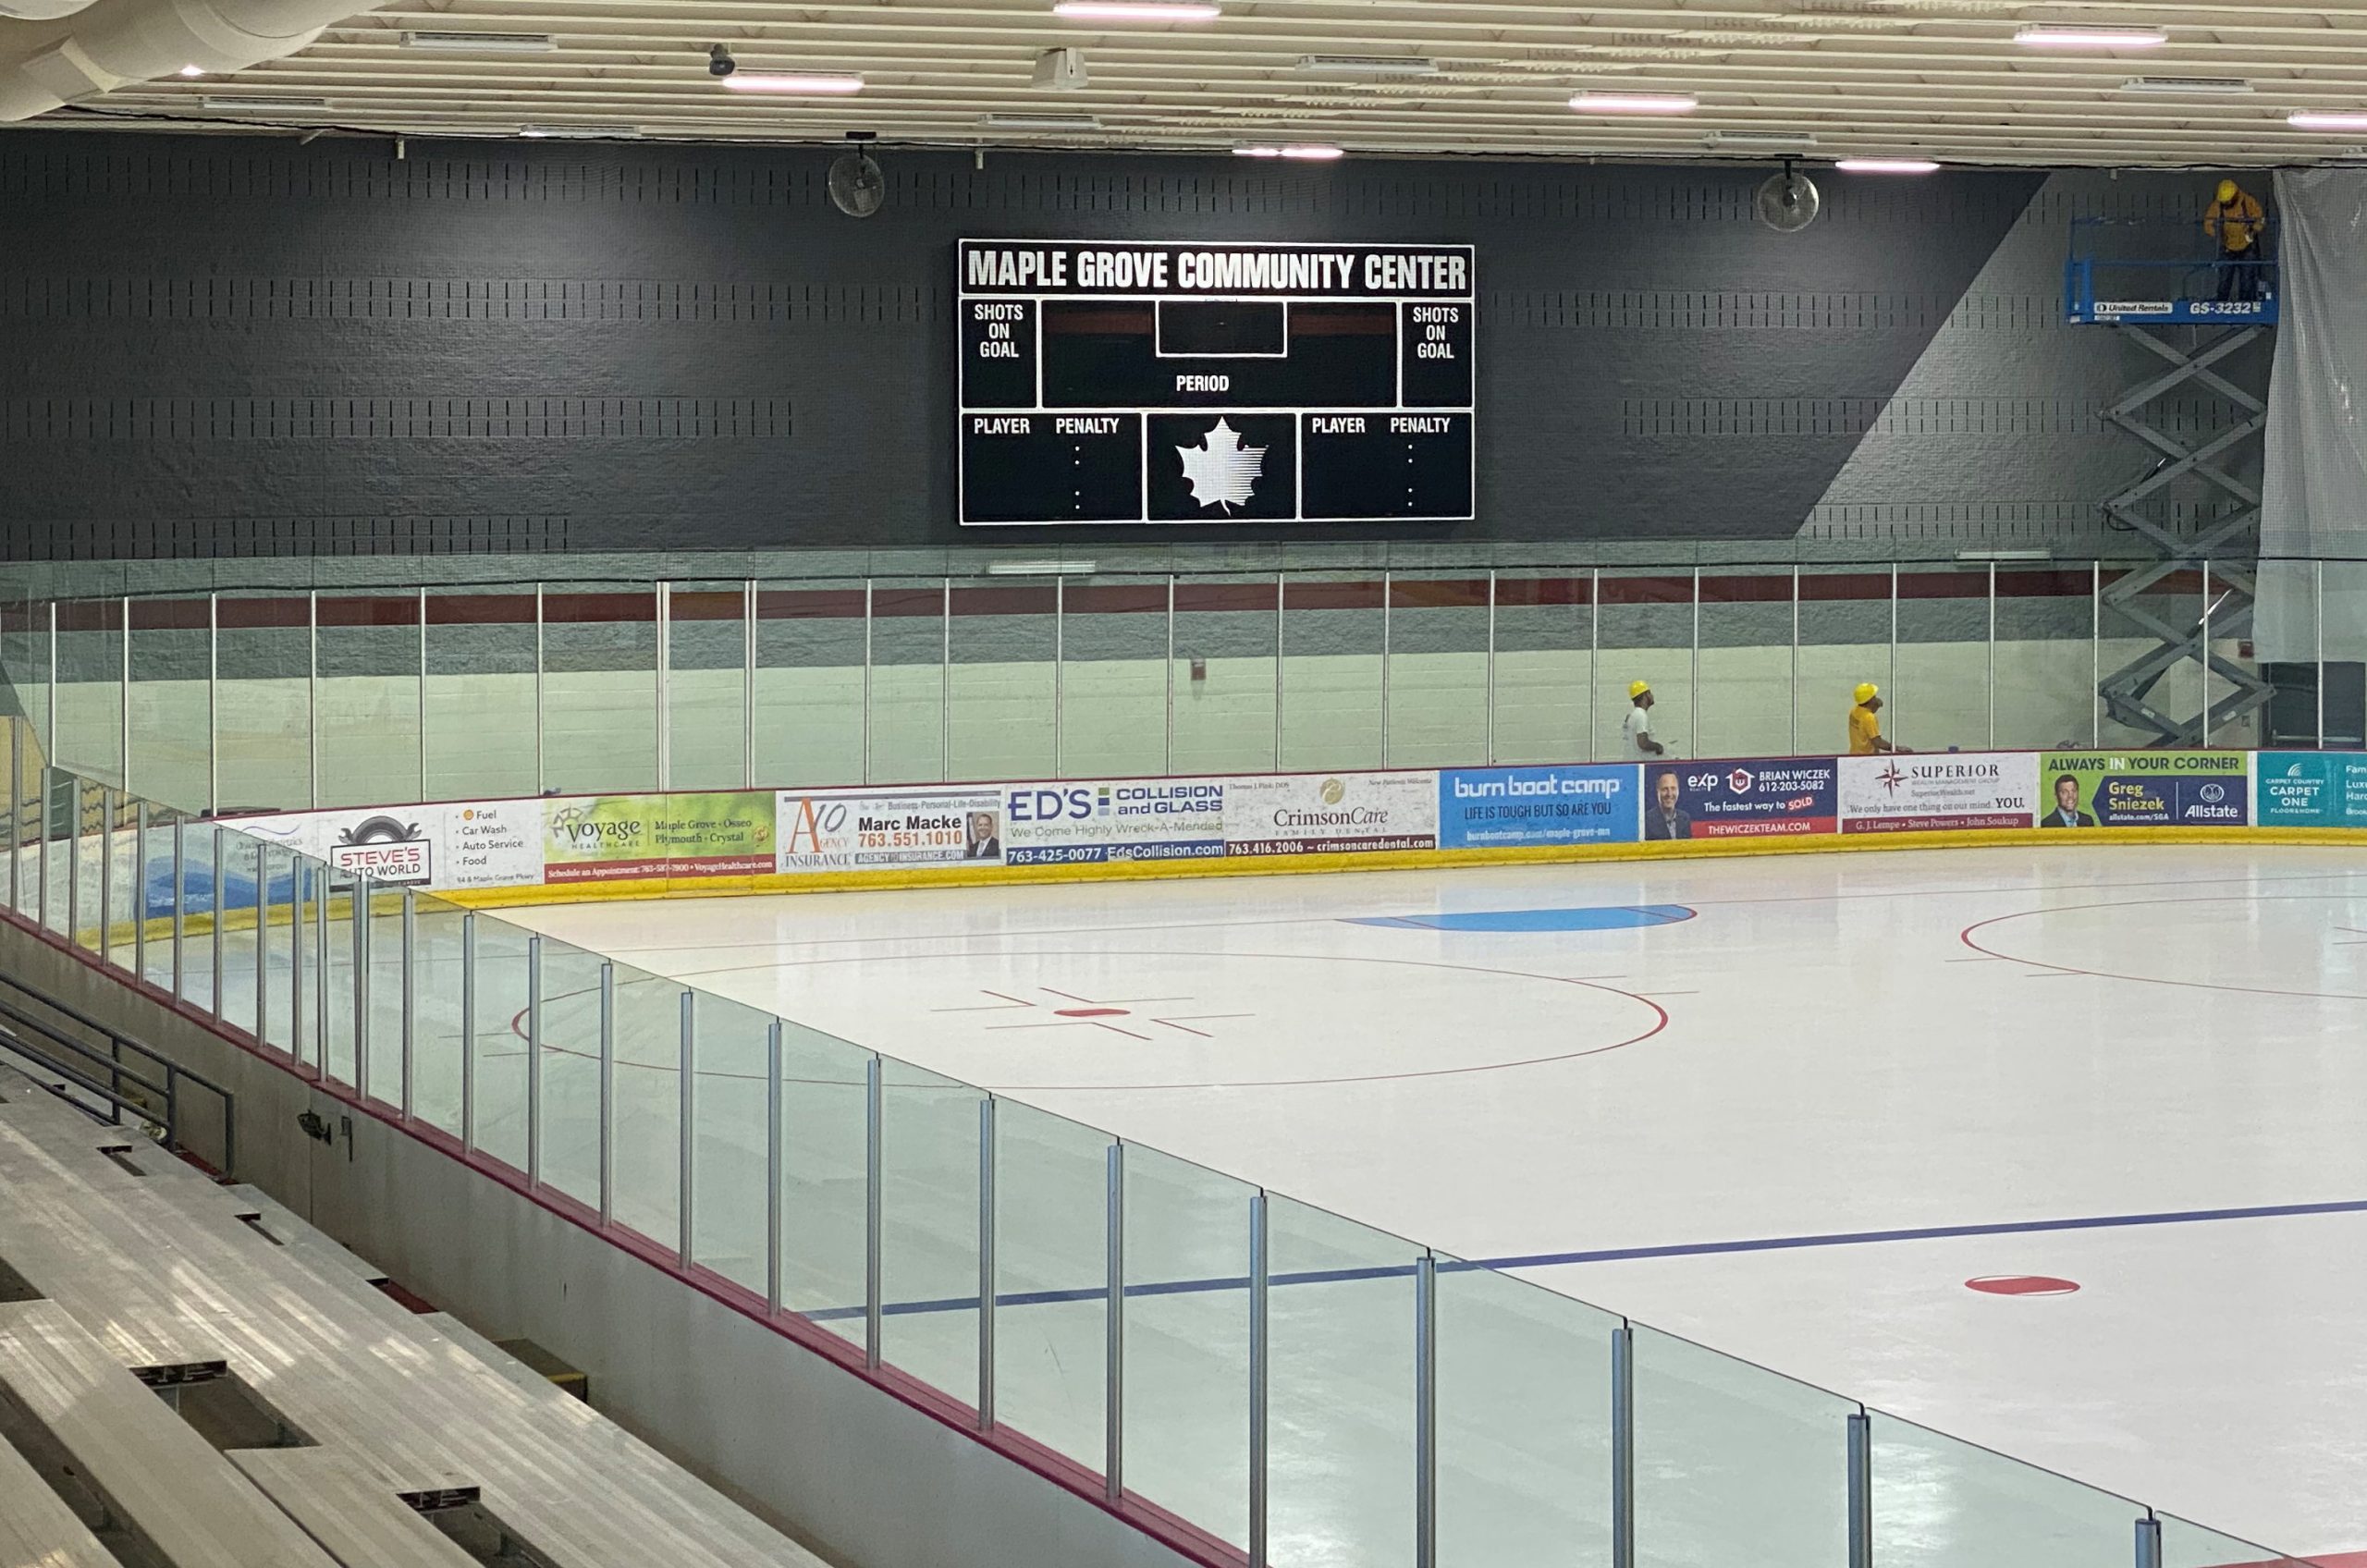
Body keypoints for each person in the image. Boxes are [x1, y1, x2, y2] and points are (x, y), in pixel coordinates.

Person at [2203, 178, 2265, 303]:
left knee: (2247, 280)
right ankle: (2222, 303)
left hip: (2247, 247)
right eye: (2224, 202)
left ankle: (2245, 304)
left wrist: (2253, 230)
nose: (2226, 204)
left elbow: (2260, 219)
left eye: (2228, 201)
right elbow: (2208, 222)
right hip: (2227, 247)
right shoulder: (2217, 206)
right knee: (2224, 279)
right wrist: (2214, 232)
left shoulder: (2247, 202)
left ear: (2235, 195)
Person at [1847, 683, 1900, 755]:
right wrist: (1897, 748)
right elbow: (1878, 742)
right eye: (1874, 697)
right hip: (1867, 758)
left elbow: (1864, 721)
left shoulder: (1854, 711)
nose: (1876, 699)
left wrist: (1875, 706)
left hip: (1854, 755)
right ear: (1870, 700)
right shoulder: (1869, 718)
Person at [1643, 768, 1692, 840]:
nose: (1669, 794)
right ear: (1657, 792)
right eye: (1665, 789)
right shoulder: (1647, 820)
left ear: (1678, 791)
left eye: (1673, 788)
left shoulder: (1685, 818)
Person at [1623, 680, 1665, 756]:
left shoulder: (1635, 715)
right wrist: (1658, 746)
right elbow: (1643, 743)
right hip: (1642, 762)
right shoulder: (1641, 715)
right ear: (1645, 695)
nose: (1652, 696)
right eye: (1649, 693)